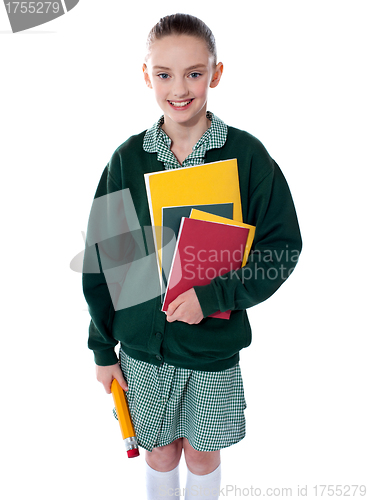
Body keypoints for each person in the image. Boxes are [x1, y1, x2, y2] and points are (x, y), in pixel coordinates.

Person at [82, 13, 302, 500]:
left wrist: (214, 295)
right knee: (159, 452)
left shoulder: (247, 157)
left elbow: (282, 247)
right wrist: (102, 347)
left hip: (211, 346)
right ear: (147, 76)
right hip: (144, 348)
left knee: (203, 454)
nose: (179, 88)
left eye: (194, 73)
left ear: (215, 74)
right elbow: (105, 259)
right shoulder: (127, 160)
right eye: (164, 74)